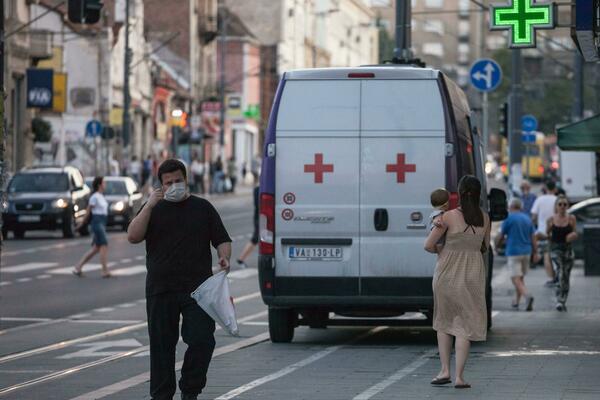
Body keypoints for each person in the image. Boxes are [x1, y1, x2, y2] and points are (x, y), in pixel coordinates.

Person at [127, 159, 232, 400]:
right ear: (161, 186)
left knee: (203, 339)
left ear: (186, 180)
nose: (174, 185)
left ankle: (190, 390)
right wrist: (150, 206)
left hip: (198, 290)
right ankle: (162, 395)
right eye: (168, 183)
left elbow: (222, 239)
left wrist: (224, 257)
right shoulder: (153, 208)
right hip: (161, 288)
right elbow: (133, 236)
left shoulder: (203, 207)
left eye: (178, 181)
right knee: (162, 346)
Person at [424, 175, 490, 389]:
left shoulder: (448, 217)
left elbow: (428, 244)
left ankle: (444, 371)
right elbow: (485, 247)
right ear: (478, 194)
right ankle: (460, 377)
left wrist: (442, 250)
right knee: (465, 324)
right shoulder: (485, 218)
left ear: (460, 194)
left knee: (444, 321)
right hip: (473, 273)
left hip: (447, 272)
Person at [496, 198, 538, 311]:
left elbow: (501, 235)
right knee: (520, 278)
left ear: (511, 206)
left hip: (514, 252)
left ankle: (527, 296)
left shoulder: (508, 218)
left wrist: (496, 246)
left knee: (515, 278)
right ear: (521, 207)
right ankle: (516, 301)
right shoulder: (527, 219)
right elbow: (533, 237)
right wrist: (536, 252)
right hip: (527, 252)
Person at [73, 177, 112, 278]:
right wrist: (81, 224)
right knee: (104, 245)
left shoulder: (101, 196)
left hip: (102, 223)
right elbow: (88, 211)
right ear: (99, 185)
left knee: (96, 248)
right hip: (97, 223)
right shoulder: (94, 197)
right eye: (104, 183)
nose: (105, 184)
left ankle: (78, 267)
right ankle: (104, 271)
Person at [546, 195, 577, 312]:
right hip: (555, 250)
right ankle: (559, 300)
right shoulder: (551, 219)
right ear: (556, 206)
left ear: (567, 206)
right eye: (560, 204)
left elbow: (575, 232)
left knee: (566, 276)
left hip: (568, 251)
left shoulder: (571, 218)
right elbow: (547, 234)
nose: (562, 207)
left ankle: (563, 300)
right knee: (560, 272)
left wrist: (573, 236)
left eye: (565, 204)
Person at [531, 181, 558, 286]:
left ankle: (552, 278)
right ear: (555, 189)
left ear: (546, 188)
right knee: (556, 256)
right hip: (556, 232)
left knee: (547, 256)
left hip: (542, 232)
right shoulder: (557, 200)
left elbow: (533, 217)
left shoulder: (540, 200)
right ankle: (557, 277)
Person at [236, 185, 259, 269]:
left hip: (258, 217)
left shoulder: (256, 189)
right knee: (255, 239)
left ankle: (241, 259)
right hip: (261, 218)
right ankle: (241, 259)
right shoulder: (259, 189)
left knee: (255, 239)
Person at [429, 188, 450, 253]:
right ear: (445, 205)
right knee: (442, 254)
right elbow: (437, 219)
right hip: (440, 239)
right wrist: (436, 222)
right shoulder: (441, 213)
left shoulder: (434, 212)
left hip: (437, 238)